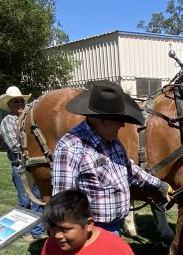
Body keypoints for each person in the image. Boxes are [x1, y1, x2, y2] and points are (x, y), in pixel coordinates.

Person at [52, 81, 171, 235]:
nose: (122, 125)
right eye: (118, 119)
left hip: (114, 227)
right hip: (91, 231)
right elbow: (62, 201)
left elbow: (128, 168)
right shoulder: (71, 147)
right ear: (102, 120)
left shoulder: (112, 140)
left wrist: (159, 185)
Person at [0, 85, 45, 242]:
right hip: (20, 166)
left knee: (38, 199)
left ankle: (38, 232)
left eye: (21, 101)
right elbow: (14, 146)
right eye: (16, 102)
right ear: (9, 105)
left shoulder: (29, 120)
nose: (20, 104)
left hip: (34, 165)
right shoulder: (8, 122)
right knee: (24, 201)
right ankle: (24, 231)